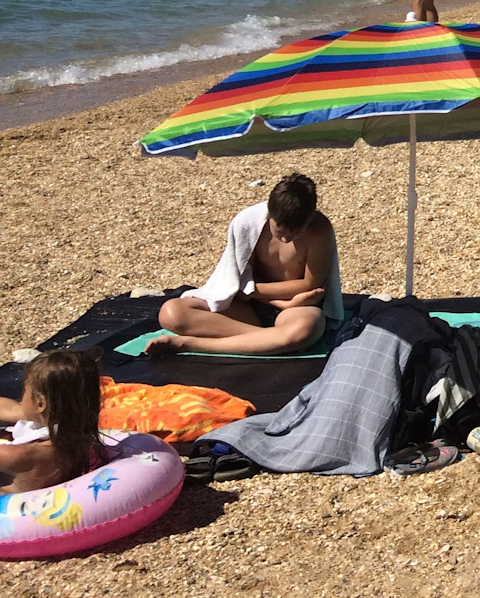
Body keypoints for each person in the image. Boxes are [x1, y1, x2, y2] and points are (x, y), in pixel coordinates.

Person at [147, 174, 343, 356]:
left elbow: (310, 285)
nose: (285, 238)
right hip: (251, 306)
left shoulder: (319, 230)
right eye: (280, 230)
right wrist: (275, 300)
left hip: (293, 311)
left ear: (309, 219)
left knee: (304, 330)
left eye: (295, 232)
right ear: (270, 213)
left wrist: (279, 302)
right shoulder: (248, 222)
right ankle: (267, 340)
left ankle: (189, 343)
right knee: (171, 313)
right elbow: (235, 282)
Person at [0, 350, 104, 495]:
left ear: (40, 403)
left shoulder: (21, 454)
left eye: (24, 391)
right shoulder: (75, 431)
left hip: (14, 505)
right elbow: (11, 409)